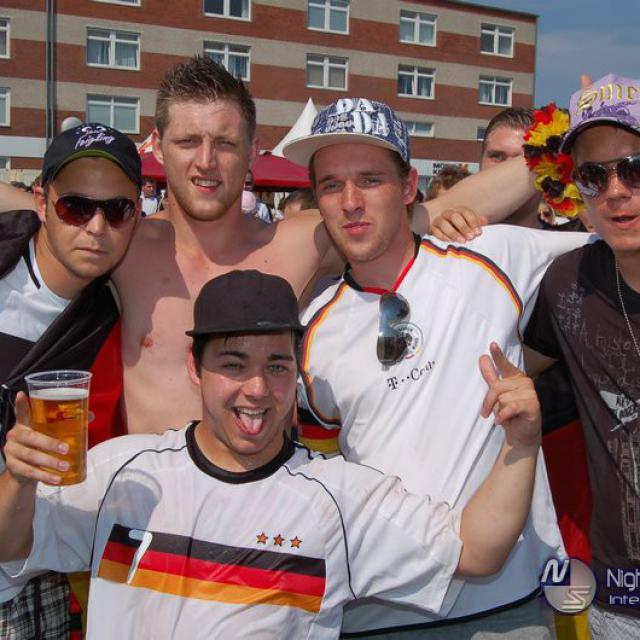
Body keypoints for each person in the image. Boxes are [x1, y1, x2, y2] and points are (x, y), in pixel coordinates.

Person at [0, 58, 540, 436]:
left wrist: (563, 152)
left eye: (224, 143)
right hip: (151, 515)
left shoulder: (300, 242)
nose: (205, 162)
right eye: (187, 142)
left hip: (264, 513)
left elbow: (440, 207)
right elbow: (34, 205)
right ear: (158, 148)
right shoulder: (126, 242)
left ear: (253, 151)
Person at [0, 269, 545, 639]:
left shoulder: (338, 499)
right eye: (233, 365)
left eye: (277, 366)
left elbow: (476, 551)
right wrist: (18, 479)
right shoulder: (122, 471)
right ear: (195, 368)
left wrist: (521, 443)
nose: (258, 389)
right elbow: (10, 544)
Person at [284, 98, 589, 638]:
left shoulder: (490, 254)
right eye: (331, 185)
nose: (351, 202)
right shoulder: (310, 333)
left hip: (508, 606)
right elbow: (320, 479)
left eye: (370, 180)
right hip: (377, 615)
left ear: (409, 187)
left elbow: (617, 249)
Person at [0, 123, 141, 638]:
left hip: (27, 578)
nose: (97, 227)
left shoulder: (115, 310)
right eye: (76, 207)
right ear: (42, 202)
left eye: (117, 209)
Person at [523, 73, 640, 639]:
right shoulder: (568, 282)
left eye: (634, 169)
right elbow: (519, 367)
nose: (615, 190)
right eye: (594, 175)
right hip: (621, 597)